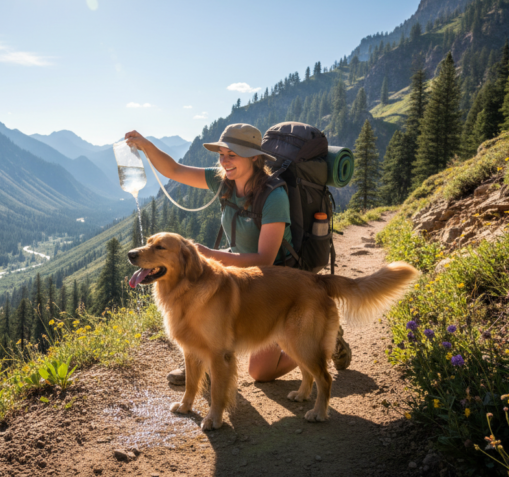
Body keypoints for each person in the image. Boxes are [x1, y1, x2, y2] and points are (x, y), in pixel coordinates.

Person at [126, 123, 351, 385]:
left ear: (254, 157)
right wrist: (146, 145)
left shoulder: (274, 195)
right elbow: (174, 170)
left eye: (232, 154)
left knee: (261, 373)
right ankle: (200, 354)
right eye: (221, 154)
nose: (224, 161)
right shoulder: (223, 180)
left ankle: (318, 338)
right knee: (195, 282)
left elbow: (264, 259)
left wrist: (209, 254)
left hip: (273, 282)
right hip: (238, 270)